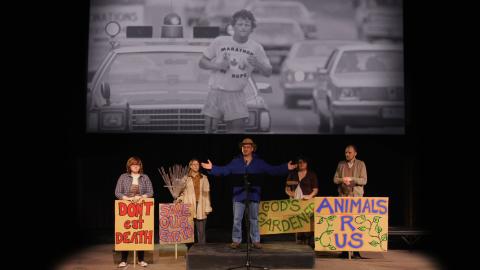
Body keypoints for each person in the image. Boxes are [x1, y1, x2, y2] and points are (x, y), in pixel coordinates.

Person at [201, 138, 296, 249]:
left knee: (254, 219)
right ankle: (236, 240)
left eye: (248, 147)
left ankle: (255, 240)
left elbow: (272, 170)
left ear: (252, 149)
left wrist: (286, 167)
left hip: (253, 195)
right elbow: (224, 170)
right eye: (243, 147)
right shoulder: (236, 161)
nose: (245, 149)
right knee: (237, 219)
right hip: (238, 195)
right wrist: (212, 168)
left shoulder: (259, 162)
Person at [199, 9, 272, 133]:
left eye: (247, 25)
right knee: (210, 130)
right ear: (233, 26)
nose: (243, 28)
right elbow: (202, 62)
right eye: (240, 24)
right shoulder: (220, 41)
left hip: (237, 94)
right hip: (215, 92)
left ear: (252, 28)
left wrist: (258, 64)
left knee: (236, 131)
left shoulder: (256, 47)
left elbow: (268, 72)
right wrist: (218, 65)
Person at [114, 156, 154, 268]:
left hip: (141, 208)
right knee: (126, 233)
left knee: (140, 233)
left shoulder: (144, 177)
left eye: (137, 164)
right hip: (126, 208)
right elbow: (117, 192)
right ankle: (123, 260)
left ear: (140, 166)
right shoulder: (123, 177)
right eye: (133, 164)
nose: (135, 166)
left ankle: (141, 259)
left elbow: (151, 191)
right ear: (129, 166)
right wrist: (127, 198)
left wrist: (142, 197)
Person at [333, 145, 367, 259]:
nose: (347, 154)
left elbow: (364, 180)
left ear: (355, 153)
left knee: (356, 224)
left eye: (349, 152)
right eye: (346, 152)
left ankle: (356, 251)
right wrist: (343, 179)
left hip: (356, 198)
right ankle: (344, 250)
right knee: (344, 224)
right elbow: (335, 179)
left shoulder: (361, 164)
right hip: (343, 197)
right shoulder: (341, 164)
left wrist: (352, 179)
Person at [175, 159, 212, 249]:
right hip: (189, 205)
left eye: (197, 164)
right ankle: (189, 250)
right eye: (194, 164)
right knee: (188, 229)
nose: (196, 166)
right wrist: (179, 200)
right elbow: (182, 192)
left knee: (201, 230)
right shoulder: (185, 178)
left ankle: (202, 249)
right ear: (190, 166)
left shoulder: (203, 177)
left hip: (201, 205)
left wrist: (208, 207)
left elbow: (207, 194)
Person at [285, 156, 318, 247]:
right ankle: (300, 239)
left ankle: (309, 239)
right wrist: (290, 193)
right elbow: (287, 188)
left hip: (307, 201)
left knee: (307, 219)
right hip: (296, 202)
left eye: (303, 162)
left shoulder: (311, 174)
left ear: (307, 164)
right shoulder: (292, 174)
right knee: (298, 220)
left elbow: (315, 189)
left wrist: (310, 196)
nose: (301, 164)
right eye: (300, 162)